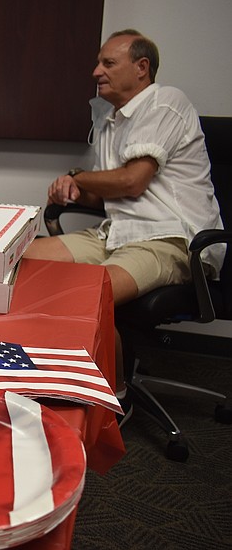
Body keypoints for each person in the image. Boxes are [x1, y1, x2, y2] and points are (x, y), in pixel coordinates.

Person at [24, 29, 224, 419]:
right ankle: (48, 374)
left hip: (171, 240)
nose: (96, 72)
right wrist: (76, 190)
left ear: (142, 68)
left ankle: (116, 398)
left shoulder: (166, 102)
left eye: (108, 63)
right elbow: (108, 193)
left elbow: (133, 181)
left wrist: (78, 176)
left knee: (86, 296)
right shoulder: (109, 119)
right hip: (117, 234)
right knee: (19, 265)